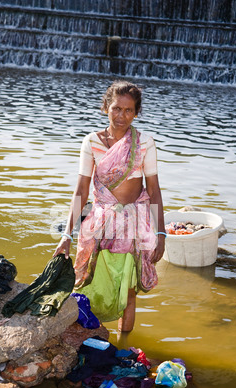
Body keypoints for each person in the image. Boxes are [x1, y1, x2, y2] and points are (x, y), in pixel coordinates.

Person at [54, 80, 165, 332]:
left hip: (135, 223)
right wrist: (65, 235)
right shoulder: (91, 142)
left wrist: (161, 233)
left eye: (128, 110)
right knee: (90, 282)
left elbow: (155, 191)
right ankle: (93, 337)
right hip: (101, 223)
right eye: (116, 108)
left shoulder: (144, 143)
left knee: (128, 290)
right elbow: (81, 191)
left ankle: (123, 347)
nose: (121, 116)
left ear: (136, 113)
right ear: (106, 107)